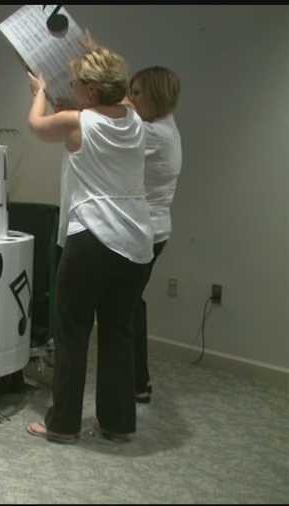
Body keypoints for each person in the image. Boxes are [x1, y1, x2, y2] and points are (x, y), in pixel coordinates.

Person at [24, 47, 153, 444]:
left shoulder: (76, 122)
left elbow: (36, 124)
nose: (73, 88)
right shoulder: (136, 118)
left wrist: (40, 89)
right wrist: (92, 50)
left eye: (78, 84)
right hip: (136, 243)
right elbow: (114, 90)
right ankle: (117, 423)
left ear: (93, 91)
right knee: (119, 332)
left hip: (92, 239)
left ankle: (63, 424)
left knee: (72, 332)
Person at [123, 67, 182, 404]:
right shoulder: (162, 126)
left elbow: (118, 120)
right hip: (154, 229)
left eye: (138, 92)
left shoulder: (155, 134)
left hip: (146, 231)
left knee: (126, 308)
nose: (132, 99)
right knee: (132, 305)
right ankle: (137, 381)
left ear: (156, 96)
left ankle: (136, 382)